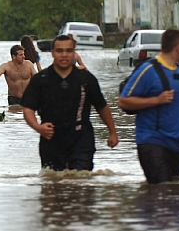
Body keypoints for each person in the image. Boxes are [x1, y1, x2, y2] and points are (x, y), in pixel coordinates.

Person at [118, 28, 179, 184]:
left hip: (178, 143)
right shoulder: (148, 69)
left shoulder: (178, 69)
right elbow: (123, 100)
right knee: (162, 190)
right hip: (152, 140)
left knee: (175, 190)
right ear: (177, 47)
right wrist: (156, 100)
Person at [21, 35, 119, 171]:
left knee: (80, 180)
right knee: (53, 183)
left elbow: (102, 106)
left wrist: (112, 132)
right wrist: (38, 127)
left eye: (68, 51)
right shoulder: (41, 80)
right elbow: (28, 109)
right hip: (51, 138)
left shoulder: (86, 79)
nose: (64, 55)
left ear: (74, 53)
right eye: (60, 51)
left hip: (81, 138)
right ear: (52, 53)